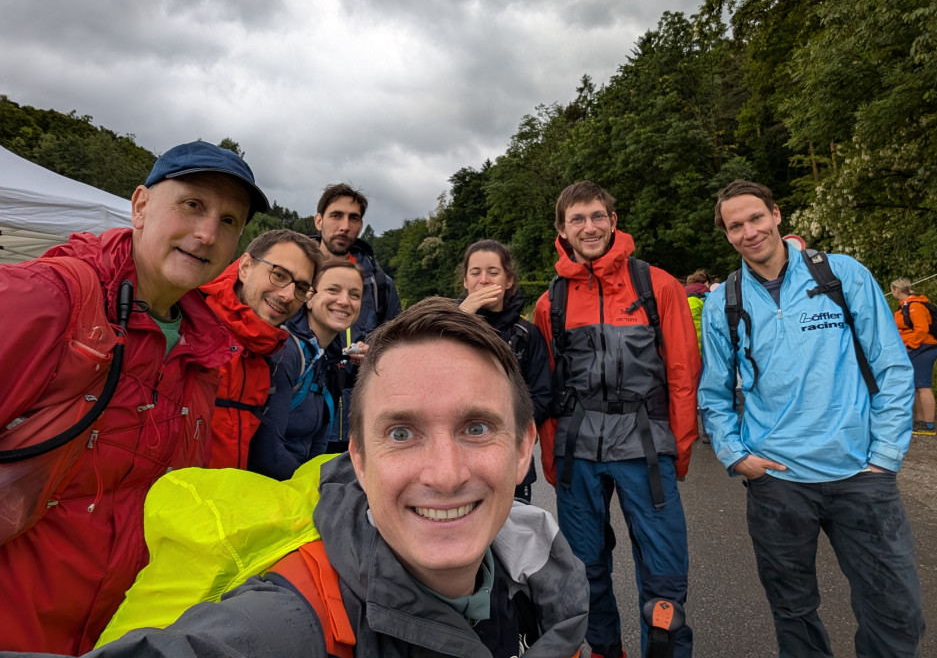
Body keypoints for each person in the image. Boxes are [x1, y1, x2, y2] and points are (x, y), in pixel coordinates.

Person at [1, 298, 590, 658]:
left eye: (477, 428)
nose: (444, 473)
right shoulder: (287, 622)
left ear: (523, 452)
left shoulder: (536, 571)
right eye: (402, 433)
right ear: (357, 460)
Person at [0, 140, 271, 654]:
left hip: (112, 636)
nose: (207, 233)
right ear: (141, 206)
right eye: (192, 204)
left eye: (230, 220)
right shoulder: (46, 298)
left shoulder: (205, 353)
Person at [699, 179, 924, 658]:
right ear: (727, 235)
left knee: (894, 610)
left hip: (862, 475)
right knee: (794, 614)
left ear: (776, 215)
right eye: (735, 226)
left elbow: (891, 365)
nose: (749, 232)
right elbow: (714, 392)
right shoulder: (724, 302)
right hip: (778, 482)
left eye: (755, 218)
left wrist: (884, 456)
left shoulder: (840, 274)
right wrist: (736, 455)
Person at [533, 181, 701, 658]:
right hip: (576, 452)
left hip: (646, 448)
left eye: (597, 216)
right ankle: (606, 651)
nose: (589, 227)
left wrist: (680, 451)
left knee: (665, 574)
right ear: (562, 229)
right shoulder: (552, 302)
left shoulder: (657, 285)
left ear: (613, 218)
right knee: (584, 570)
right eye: (577, 219)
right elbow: (548, 389)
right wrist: (551, 460)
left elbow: (683, 374)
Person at [202, 229, 322, 469]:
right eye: (278, 275)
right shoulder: (190, 324)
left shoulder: (265, 350)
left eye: (300, 288)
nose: (288, 295)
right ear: (245, 267)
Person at [248, 258, 364, 479]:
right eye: (333, 289)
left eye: (354, 295)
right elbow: (265, 453)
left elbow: (315, 443)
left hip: (293, 488)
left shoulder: (327, 358)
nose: (344, 301)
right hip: (264, 491)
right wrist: (315, 484)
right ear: (309, 298)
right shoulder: (286, 352)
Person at [457, 239, 551, 500]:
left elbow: (542, 396)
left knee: (512, 536)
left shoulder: (527, 334)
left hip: (509, 458)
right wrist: (459, 319)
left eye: (493, 272)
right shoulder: (442, 329)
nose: (484, 280)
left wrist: (504, 428)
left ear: (508, 281)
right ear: (465, 281)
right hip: (455, 458)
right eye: (475, 273)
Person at [312, 184, 401, 451]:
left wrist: (375, 354)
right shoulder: (295, 271)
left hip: (362, 420)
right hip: (300, 416)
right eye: (336, 216)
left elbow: (400, 346)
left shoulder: (379, 283)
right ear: (319, 220)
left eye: (354, 218)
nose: (344, 226)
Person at [891, 277, 937, 436]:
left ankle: (929, 424)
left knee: (924, 386)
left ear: (897, 290)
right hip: (916, 348)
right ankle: (921, 421)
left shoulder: (915, 306)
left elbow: (922, 329)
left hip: (923, 348)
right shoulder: (904, 307)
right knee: (917, 386)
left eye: (892, 289)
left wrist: (909, 346)